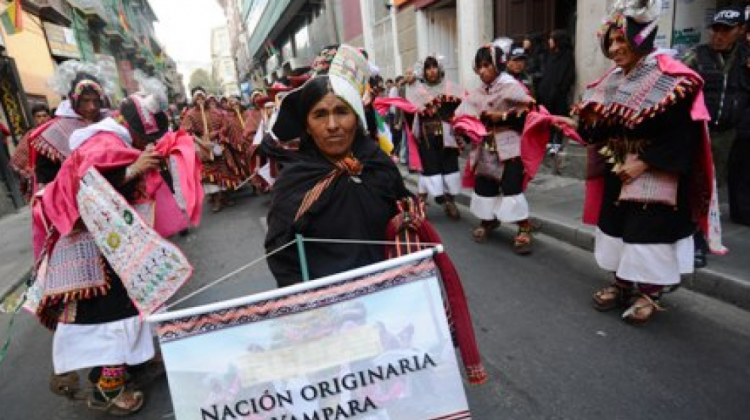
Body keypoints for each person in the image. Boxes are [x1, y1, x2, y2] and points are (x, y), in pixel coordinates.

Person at [35, 86, 202, 415]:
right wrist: (134, 169)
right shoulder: (103, 144)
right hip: (95, 252)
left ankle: (133, 361)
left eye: (95, 100)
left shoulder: (112, 141)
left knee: (131, 304)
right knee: (113, 314)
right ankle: (106, 390)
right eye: (85, 100)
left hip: (109, 244)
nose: (91, 105)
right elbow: (88, 192)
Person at [558, 0, 724, 325]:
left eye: (622, 40)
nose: (615, 47)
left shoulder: (672, 78)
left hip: (656, 171)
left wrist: (643, 163)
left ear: (642, 38)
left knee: (648, 233)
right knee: (616, 227)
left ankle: (649, 292)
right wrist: (580, 125)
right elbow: (604, 128)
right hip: (617, 169)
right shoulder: (613, 80)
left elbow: (683, 137)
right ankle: (621, 282)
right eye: (611, 41)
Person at [264, 45, 412, 288]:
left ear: (356, 118)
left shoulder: (377, 163)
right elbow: (281, 254)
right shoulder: (294, 182)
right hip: (332, 308)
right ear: (307, 126)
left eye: (342, 112)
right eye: (320, 114)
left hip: (390, 294)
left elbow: (402, 217)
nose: (332, 125)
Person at [454, 44, 537, 254]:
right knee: (484, 187)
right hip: (485, 148)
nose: (482, 71)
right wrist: (461, 124)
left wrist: (501, 117)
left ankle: (524, 227)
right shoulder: (477, 92)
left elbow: (530, 112)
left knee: (511, 188)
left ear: (497, 65)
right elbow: (462, 114)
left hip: (510, 147)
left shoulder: (512, 86)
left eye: (486, 65)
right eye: (478, 67)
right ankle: (488, 221)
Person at [683, 6, 750, 264]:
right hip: (699, 131)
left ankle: (704, 235)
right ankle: (695, 241)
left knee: (715, 190)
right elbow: (675, 77)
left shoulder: (746, 58)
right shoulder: (698, 56)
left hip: (732, 134)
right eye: (716, 30)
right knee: (697, 187)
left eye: (726, 30)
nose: (719, 36)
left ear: (741, 31)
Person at [405, 55, 466, 219]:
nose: (432, 71)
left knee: (450, 170)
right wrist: (409, 85)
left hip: (448, 138)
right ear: (423, 71)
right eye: (428, 68)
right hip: (427, 139)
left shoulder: (452, 88)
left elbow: (463, 109)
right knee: (428, 172)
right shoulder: (417, 90)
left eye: (434, 67)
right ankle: (421, 205)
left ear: (440, 69)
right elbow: (409, 111)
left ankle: (450, 202)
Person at [181, 87, 240, 212]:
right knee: (209, 175)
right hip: (203, 148)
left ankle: (224, 196)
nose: (200, 100)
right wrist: (202, 142)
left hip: (218, 144)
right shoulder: (190, 114)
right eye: (198, 98)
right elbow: (186, 132)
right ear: (194, 99)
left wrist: (217, 133)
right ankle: (216, 200)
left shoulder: (215, 111)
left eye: (202, 97)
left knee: (224, 169)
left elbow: (225, 125)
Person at [537, 29, 575, 158]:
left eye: (552, 38)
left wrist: (559, 89)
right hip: (547, 94)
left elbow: (568, 76)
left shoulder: (567, 56)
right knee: (548, 118)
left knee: (559, 118)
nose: (550, 41)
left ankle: (557, 143)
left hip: (559, 95)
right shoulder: (550, 55)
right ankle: (549, 140)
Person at [10, 104, 51, 201]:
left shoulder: (55, 130)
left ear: (48, 116)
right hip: (40, 175)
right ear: (34, 119)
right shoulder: (30, 135)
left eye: (44, 116)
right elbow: (19, 156)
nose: (42, 119)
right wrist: (29, 169)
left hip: (58, 170)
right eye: (38, 116)